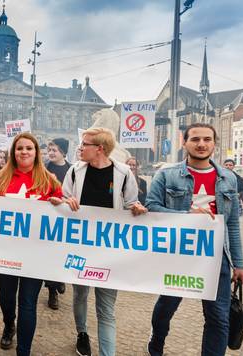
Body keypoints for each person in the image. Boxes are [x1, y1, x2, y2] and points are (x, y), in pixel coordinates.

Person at [146, 123, 243, 356]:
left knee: (218, 317)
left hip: (216, 257)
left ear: (214, 143)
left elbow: (232, 223)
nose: (201, 144)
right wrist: (185, 216)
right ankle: (156, 342)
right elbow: (152, 208)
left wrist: (239, 264)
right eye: (196, 139)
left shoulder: (228, 178)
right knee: (167, 306)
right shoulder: (166, 174)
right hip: (178, 255)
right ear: (185, 142)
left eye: (207, 139)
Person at [62, 127, 147, 356]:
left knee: (106, 309)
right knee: (80, 294)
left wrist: (136, 208)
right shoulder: (74, 171)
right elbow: (63, 200)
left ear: (99, 149)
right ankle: (82, 333)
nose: (80, 148)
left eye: (85, 144)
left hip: (110, 250)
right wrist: (63, 202)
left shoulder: (123, 173)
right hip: (80, 247)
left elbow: (131, 203)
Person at [0, 132, 64, 356]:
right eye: (20, 148)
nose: (24, 152)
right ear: (13, 152)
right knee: (7, 298)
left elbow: (62, 211)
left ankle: (24, 351)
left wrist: (62, 203)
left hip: (35, 255)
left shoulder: (50, 181)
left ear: (36, 152)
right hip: (4, 251)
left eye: (29, 148)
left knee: (27, 302)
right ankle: (9, 324)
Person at [43, 138, 71, 309]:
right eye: (50, 149)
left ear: (63, 152)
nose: (51, 153)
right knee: (50, 256)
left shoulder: (72, 170)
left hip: (66, 219)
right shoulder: (44, 168)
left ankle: (61, 279)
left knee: (63, 254)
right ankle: (52, 292)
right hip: (48, 218)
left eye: (55, 150)